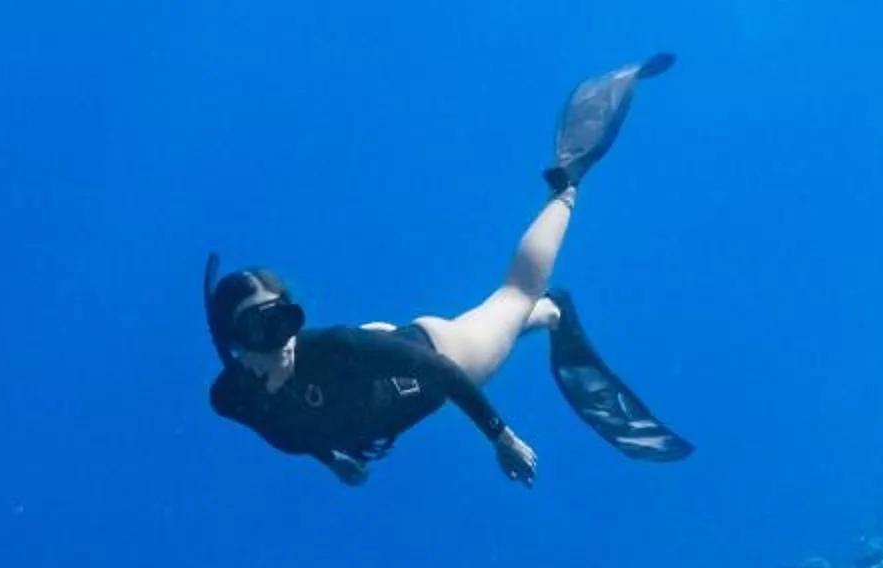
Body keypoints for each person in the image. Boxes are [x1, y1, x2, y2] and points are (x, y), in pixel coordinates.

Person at [203, 53, 690, 489]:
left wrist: (502, 439)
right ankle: (543, 317)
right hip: (382, 368)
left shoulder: (330, 348)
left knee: (515, 295)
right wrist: (333, 462)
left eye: (286, 321)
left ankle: (565, 189)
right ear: (235, 346)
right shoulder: (234, 398)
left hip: (435, 355)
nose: (282, 340)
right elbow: (288, 430)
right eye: (260, 328)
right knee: (502, 319)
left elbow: (441, 372)